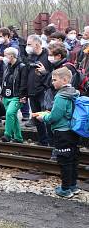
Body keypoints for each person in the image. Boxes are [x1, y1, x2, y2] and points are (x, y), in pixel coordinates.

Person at [35, 67, 81, 198]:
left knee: (64, 161)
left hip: (62, 133)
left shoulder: (61, 96)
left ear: (65, 80)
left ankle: (65, 189)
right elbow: (65, 113)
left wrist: (42, 117)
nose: (52, 82)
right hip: (73, 131)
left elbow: (54, 118)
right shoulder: (74, 92)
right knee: (73, 159)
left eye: (55, 80)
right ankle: (73, 186)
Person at [24, 34, 53, 142]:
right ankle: (43, 141)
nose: (27, 46)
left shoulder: (48, 56)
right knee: (37, 118)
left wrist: (45, 72)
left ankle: (51, 141)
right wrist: (24, 93)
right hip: (32, 92)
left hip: (44, 92)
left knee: (46, 117)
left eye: (29, 44)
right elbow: (26, 76)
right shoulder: (30, 57)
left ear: (37, 44)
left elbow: (54, 75)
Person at [1, 47, 28, 143]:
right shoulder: (7, 66)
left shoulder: (22, 67)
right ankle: (18, 137)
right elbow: (4, 80)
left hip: (16, 96)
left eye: (5, 55)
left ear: (11, 56)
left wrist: (22, 96)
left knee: (9, 113)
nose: (4, 57)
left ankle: (7, 134)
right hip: (6, 95)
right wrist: (2, 93)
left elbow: (23, 83)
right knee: (13, 116)